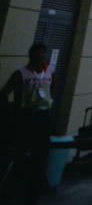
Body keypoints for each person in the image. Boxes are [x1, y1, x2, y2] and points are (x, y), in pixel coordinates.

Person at [0, 42, 55, 205]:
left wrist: (48, 102)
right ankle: (11, 190)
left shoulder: (50, 72)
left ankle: (33, 194)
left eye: (43, 54)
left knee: (40, 158)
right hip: (26, 118)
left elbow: (53, 89)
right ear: (31, 57)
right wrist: (14, 110)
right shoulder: (21, 74)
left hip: (43, 118)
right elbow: (4, 93)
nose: (41, 57)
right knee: (21, 156)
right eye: (38, 54)